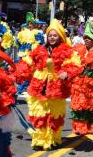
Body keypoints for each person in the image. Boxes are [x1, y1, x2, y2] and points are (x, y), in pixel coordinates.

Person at [16, 19, 82, 150]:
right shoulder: (39, 49)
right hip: (39, 85)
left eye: (55, 35)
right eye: (50, 35)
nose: (52, 38)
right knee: (40, 115)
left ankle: (51, 139)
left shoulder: (68, 51)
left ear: (60, 36)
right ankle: (40, 140)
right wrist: (18, 73)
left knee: (53, 116)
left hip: (56, 86)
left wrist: (66, 73)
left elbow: (75, 66)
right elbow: (28, 62)